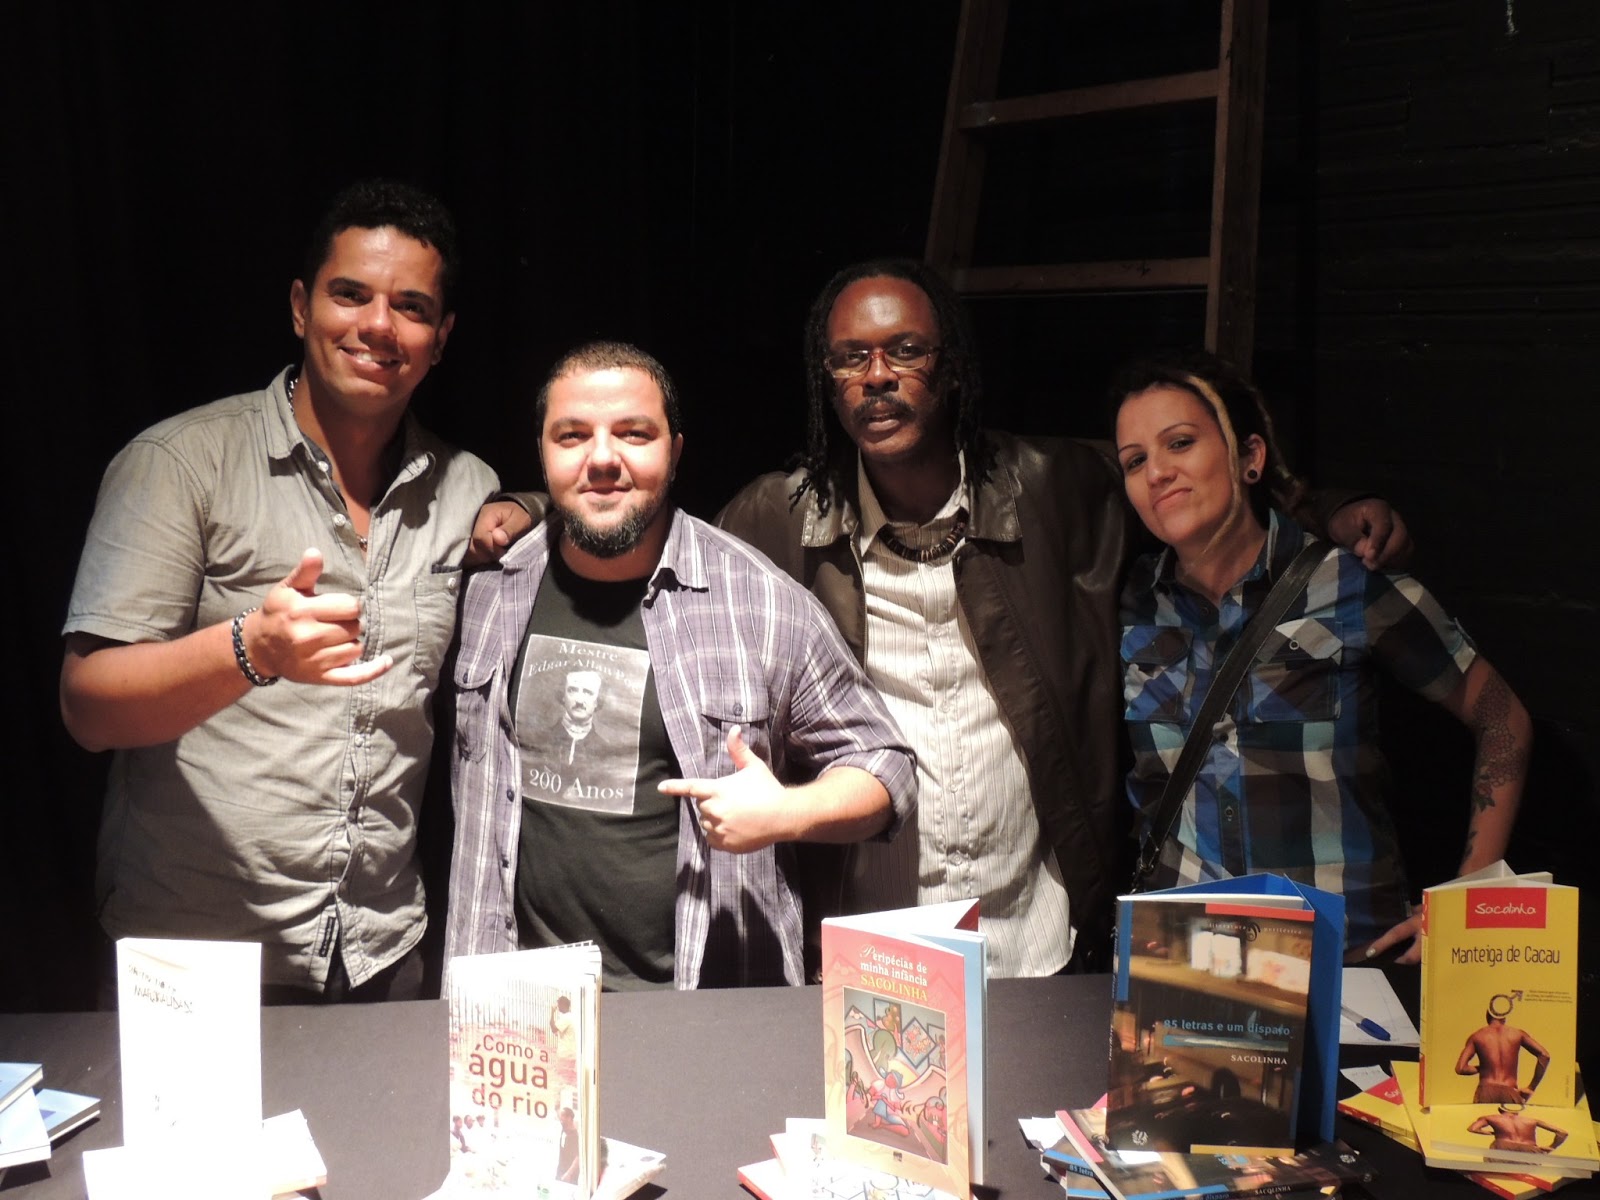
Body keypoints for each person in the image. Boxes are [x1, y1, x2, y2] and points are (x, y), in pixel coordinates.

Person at [472, 260, 1410, 975]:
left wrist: (1318, 505)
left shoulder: (1055, 486)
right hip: (873, 941)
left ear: (950, 366)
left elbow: (1182, 480)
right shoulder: (779, 516)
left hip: (1038, 932)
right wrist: (532, 504)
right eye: (850, 359)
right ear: (827, 381)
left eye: (905, 352)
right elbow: (643, 510)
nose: (877, 376)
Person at [60, 180, 499, 1002]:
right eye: (350, 295)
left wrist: (531, 506)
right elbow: (89, 706)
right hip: (194, 960)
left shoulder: (469, 489)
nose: (378, 325)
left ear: (440, 339)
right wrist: (249, 649)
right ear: (301, 308)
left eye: (410, 306)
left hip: (380, 951)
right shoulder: (180, 463)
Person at [443, 341, 914, 989]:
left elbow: (886, 766)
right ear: (543, 452)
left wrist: (788, 813)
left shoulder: (760, 601)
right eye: (572, 435)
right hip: (518, 1009)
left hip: (701, 1006)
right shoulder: (490, 591)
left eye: (634, 434)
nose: (601, 458)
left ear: (676, 451)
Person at [1112, 349, 1530, 958]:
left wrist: (1469, 900)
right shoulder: (1132, 600)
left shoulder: (1347, 584)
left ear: (1250, 457)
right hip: (1186, 959)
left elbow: (1503, 719)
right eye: (1135, 460)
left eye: (1180, 442)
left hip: (1340, 958)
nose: (1157, 472)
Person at [1456, 997, 1552, 1103]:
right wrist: (1531, 1088)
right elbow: (1545, 1055)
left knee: (1484, 1114)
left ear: (1488, 1014)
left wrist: (1484, 1067)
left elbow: (1461, 1068)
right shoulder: (1517, 1034)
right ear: (1504, 1017)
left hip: (1485, 1091)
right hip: (1510, 1091)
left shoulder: (1477, 1036)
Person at [1468, 1106, 1567, 1154]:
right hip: (1529, 1148)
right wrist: (1551, 1147)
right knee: (1528, 1177)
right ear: (1518, 1111)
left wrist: (1492, 1133)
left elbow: (1473, 1129)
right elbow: (1563, 1132)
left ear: (1500, 1109)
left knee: (1497, 1174)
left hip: (1503, 1146)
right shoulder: (1532, 1121)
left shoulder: (1491, 1118)